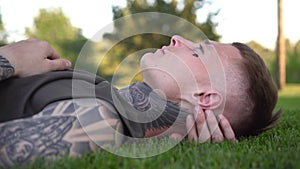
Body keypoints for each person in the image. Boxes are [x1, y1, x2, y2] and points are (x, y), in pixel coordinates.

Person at [0, 36, 280, 167]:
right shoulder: (107, 95)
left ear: (204, 97)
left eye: (196, 52)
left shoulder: (99, 120)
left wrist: (9, 60)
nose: (178, 38)